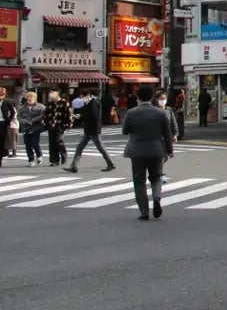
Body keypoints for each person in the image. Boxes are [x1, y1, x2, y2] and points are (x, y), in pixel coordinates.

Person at [122, 86, 174, 221]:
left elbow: (125, 130)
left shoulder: (131, 113)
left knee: (139, 181)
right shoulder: (161, 113)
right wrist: (170, 150)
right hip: (156, 150)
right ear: (152, 97)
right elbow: (167, 134)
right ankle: (156, 198)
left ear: (138, 98)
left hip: (137, 151)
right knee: (156, 177)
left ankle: (144, 211)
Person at [65, 90, 114, 173]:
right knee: (80, 147)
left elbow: (94, 116)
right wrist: (74, 113)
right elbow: (83, 111)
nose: (82, 99)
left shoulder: (94, 103)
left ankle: (111, 164)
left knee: (100, 148)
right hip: (89, 130)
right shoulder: (88, 103)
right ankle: (74, 166)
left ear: (88, 96)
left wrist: (81, 115)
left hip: (93, 130)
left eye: (83, 97)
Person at [152, 89, 178, 182]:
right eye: (161, 98)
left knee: (165, 157)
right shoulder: (153, 110)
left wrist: (175, 134)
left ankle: (157, 172)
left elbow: (173, 122)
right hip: (156, 137)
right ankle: (159, 174)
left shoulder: (168, 109)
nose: (163, 100)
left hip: (167, 137)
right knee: (161, 157)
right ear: (156, 99)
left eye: (164, 98)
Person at [43, 90, 71, 166]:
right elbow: (45, 114)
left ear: (57, 95)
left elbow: (68, 114)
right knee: (52, 143)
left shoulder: (64, 103)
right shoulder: (49, 104)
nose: (52, 98)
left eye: (53, 96)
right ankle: (54, 160)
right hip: (51, 125)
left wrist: (68, 124)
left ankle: (64, 157)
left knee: (59, 141)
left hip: (60, 125)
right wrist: (45, 123)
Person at [19, 92, 45, 166]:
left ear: (35, 98)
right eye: (28, 97)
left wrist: (33, 120)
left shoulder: (40, 106)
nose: (30, 99)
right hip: (25, 128)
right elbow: (19, 117)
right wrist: (24, 121)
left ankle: (39, 155)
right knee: (27, 144)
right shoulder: (22, 108)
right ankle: (31, 160)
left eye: (31, 97)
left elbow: (43, 115)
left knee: (35, 143)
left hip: (36, 127)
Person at [0, 87, 12, 166]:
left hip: (3, 123)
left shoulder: (7, 102)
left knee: (1, 141)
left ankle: (0, 157)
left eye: (2, 95)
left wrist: (8, 120)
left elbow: (13, 112)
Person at [5, 88, 18, 158]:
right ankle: (8, 151)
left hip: (13, 125)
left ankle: (14, 152)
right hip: (10, 125)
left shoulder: (12, 109)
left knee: (13, 139)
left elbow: (13, 117)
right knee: (8, 139)